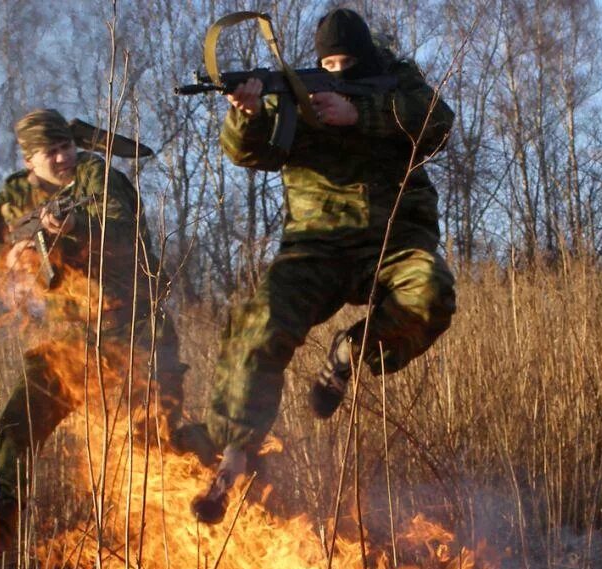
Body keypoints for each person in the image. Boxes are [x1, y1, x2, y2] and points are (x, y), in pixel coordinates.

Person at [192, 9, 457, 523]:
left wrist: (360, 114)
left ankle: (351, 353)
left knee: (429, 292)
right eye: (327, 62)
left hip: (392, 238)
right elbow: (247, 154)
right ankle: (235, 449)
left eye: (347, 61)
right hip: (315, 245)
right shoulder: (289, 89)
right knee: (259, 323)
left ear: (366, 60)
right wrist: (245, 112)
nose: (335, 71)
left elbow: (437, 122)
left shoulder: (397, 81)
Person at [0, 108, 212, 552]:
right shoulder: (16, 196)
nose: (61, 158)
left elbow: (124, 229)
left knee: (155, 445)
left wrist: (74, 227)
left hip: (134, 331)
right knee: (19, 421)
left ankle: (222, 465)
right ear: (30, 160)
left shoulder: (97, 176)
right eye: (49, 152)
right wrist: (4, 255)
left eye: (65, 147)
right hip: (70, 340)